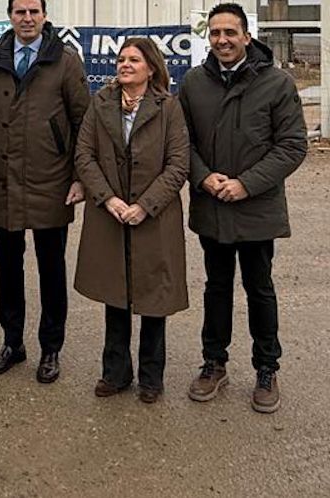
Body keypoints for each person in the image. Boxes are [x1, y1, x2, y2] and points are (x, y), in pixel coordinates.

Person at [180, 1, 307, 414]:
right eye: (215, 33)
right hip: (211, 205)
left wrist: (246, 184)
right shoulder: (194, 83)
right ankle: (214, 363)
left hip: (256, 208)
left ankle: (267, 367)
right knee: (216, 288)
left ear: (247, 37)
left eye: (230, 33)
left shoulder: (276, 84)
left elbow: (292, 146)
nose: (222, 40)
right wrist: (203, 177)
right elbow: (182, 143)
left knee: (259, 288)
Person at [0, 0, 91, 384]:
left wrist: (79, 177)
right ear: (9, 16)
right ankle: (12, 342)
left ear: (44, 16)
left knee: (50, 268)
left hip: (51, 182)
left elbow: (83, 123)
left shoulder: (65, 61)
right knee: (8, 269)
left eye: (34, 11)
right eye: (20, 11)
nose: (27, 18)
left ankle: (50, 348)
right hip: (4, 182)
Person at [73, 36, 191, 403]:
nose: (124, 65)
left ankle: (151, 378)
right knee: (116, 294)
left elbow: (178, 164)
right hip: (110, 215)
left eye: (133, 60)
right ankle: (115, 373)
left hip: (154, 218)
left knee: (154, 298)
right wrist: (107, 198)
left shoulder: (169, 107)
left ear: (151, 67)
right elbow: (84, 155)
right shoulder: (101, 103)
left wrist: (145, 204)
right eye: (121, 59)